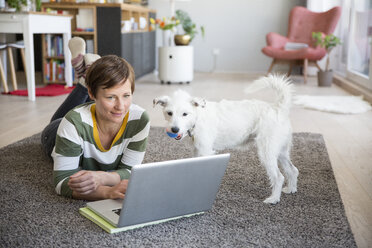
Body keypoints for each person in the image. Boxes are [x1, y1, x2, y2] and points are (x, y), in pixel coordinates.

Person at [41, 37, 150, 200]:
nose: (121, 106)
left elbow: (130, 172)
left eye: (126, 95)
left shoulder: (139, 119)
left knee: (97, 107)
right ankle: (84, 82)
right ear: (93, 94)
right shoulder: (72, 123)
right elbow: (62, 183)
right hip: (55, 132)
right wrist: (107, 192)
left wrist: (101, 177)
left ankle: (89, 76)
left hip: (89, 116)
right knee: (61, 120)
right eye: (111, 97)